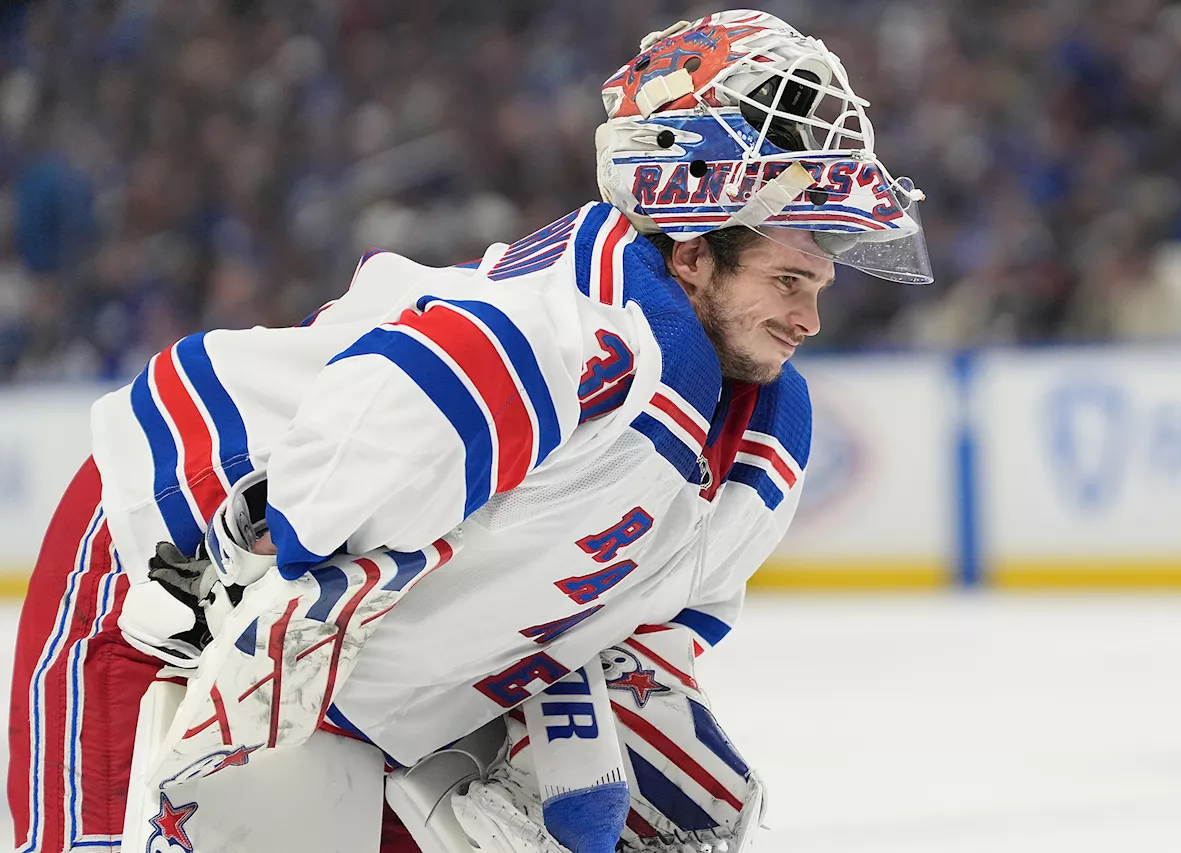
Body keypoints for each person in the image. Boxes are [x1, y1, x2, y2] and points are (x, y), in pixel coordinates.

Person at [8, 10, 931, 853]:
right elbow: (302, 510)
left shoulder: (760, 433)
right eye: (787, 281)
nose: (808, 320)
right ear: (691, 250)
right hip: (158, 570)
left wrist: (579, 741)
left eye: (817, 286)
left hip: (361, 683)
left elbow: (622, 637)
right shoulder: (560, 336)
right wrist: (243, 575)